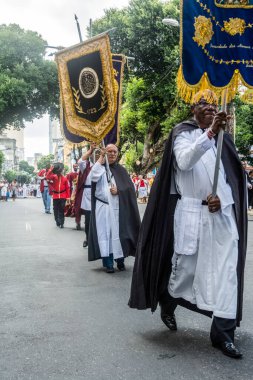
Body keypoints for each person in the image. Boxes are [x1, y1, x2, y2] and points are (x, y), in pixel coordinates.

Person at [129, 89, 247, 359]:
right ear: (192, 110)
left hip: (222, 215)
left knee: (227, 273)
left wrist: (225, 200)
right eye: (202, 104)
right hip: (193, 214)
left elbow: (231, 178)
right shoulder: (182, 133)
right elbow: (184, 161)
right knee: (186, 274)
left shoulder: (224, 140)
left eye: (212, 104)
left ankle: (223, 335)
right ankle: (168, 301)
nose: (209, 108)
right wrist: (209, 134)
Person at [88, 144, 141, 273]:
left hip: (118, 208)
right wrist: (101, 158)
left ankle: (120, 261)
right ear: (105, 153)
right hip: (104, 207)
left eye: (114, 152)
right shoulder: (99, 167)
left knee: (118, 234)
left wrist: (119, 190)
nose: (112, 154)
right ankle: (108, 263)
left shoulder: (121, 170)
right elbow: (93, 177)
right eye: (109, 151)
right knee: (105, 235)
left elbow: (130, 189)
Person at [76, 143, 96, 247]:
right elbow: (80, 161)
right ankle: (88, 238)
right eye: (94, 153)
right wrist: (90, 150)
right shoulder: (88, 166)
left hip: (101, 195)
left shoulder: (106, 165)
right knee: (88, 219)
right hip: (88, 195)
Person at [46, 163, 70, 228]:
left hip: (63, 196)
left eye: (60, 171)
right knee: (55, 209)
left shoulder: (65, 178)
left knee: (62, 209)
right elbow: (47, 177)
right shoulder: (53, 177)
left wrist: (68, 197)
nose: (59, 172)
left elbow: (67, 188)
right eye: (58, 171)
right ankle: (57, 220)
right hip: (55, 196)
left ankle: (62, 222)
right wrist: (51, 169)